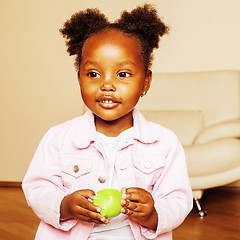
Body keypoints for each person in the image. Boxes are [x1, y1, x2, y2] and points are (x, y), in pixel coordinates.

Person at [22, 4, 193, 240]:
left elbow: (179, 199)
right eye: (93, 74)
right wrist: (65, 205)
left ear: (145, 82)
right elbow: (36, 189)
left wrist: (153, 213)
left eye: (122, 74)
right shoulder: (58, 138)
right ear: (79, 78)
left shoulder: (164, 143)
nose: (107, 85)